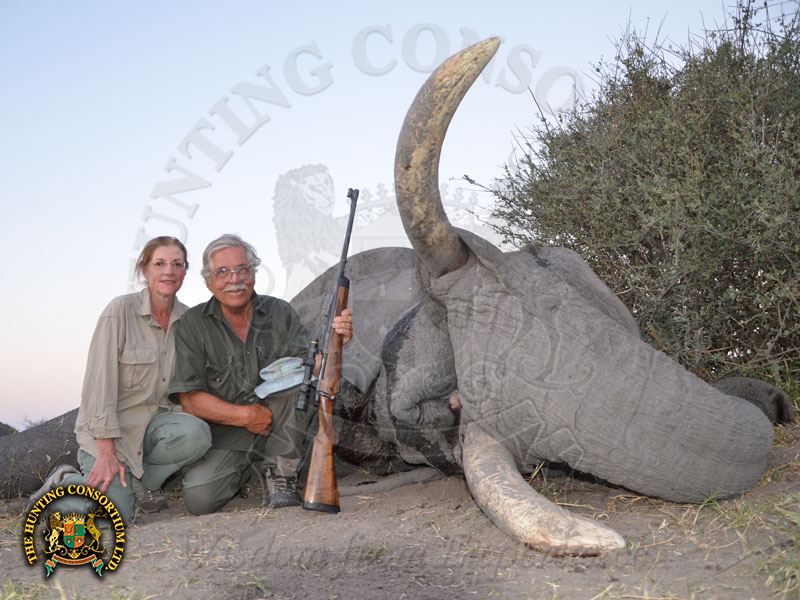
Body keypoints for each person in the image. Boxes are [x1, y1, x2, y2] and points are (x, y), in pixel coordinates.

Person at [25, 237, 212, 525]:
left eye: (177, 264)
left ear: (185, 271)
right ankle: (64, 482)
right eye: (159, 263)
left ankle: (144, 485)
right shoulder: (119, 311)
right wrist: (106, 450)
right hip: (110, 434)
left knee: (196, 433)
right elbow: (98, 384)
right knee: (112, 519)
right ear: (144, 270)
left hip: (153, 429)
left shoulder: (187, 320)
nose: (169, 271)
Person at [168, 233, 353, 513]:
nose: (234, 279)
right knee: (199, 499)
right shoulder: (192, 324)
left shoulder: (279, 311)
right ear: (209, 282)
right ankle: (251, 469)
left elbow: (312, 368)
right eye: (223, 272)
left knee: (297, 382)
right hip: (230, 435)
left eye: (242, 269)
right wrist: (246, 416)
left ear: (253, 273)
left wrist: (338, 344)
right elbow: (191, 401)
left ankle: (281, 475)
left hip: (281, 428)